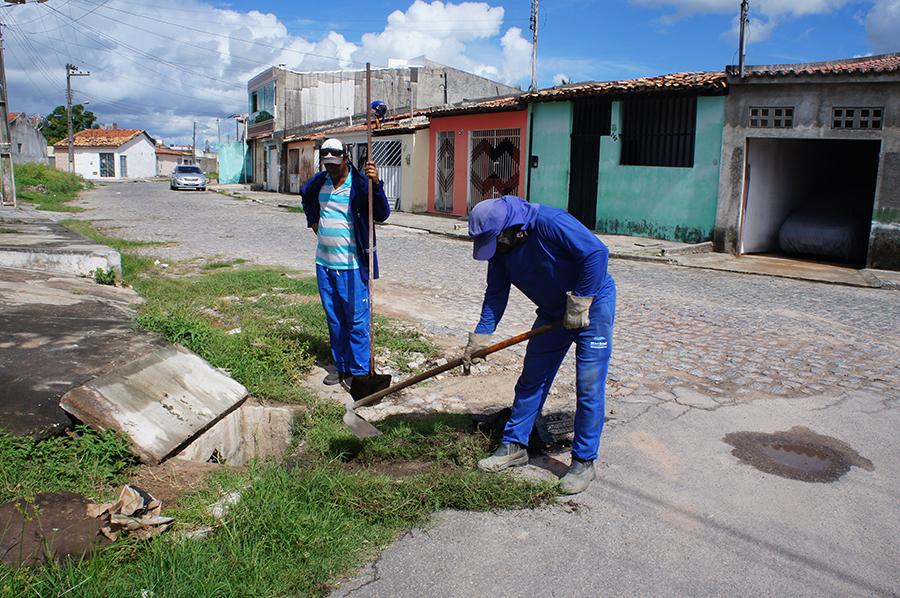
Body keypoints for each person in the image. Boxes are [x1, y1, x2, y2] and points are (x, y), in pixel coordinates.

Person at [463, 195, 616, 494]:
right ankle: (514, 445)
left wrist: (581, 300)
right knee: (532, 378)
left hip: (592, 307)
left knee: (588, 386)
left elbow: (597, 253)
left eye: (496, 241)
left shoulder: (551, 222)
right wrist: (481, 335)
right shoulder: (501, 248)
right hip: (552, 313)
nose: (496, 249)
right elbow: (496, 293)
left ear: (513, 229)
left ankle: (584, 462)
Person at [300, 138, 390, 388]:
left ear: (346, 158)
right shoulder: (320, 182)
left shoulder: (361, 183)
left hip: (353, 265)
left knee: (357, 321)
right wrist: (313, 222)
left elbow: (382, 213)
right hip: (324, 263)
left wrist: (376, 184)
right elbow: (306, 196)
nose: (331, 169)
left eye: (335, 164)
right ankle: (341, 367)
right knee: (335, 318)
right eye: (327, 164)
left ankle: (360, 372)